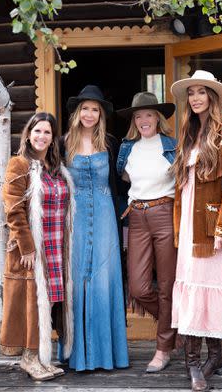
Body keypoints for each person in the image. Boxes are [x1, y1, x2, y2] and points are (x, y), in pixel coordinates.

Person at [170, 70, 222, 392]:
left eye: (201, 92)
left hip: (210, 226)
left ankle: (206, 360)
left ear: (212, 98)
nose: (196, 98)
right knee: (192, 289)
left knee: (208, 288)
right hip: (188, 223)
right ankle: (209, 358)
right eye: (192, 93)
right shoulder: (189, 133)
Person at [0, 112, 75, 381]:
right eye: (37, 131)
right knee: (32, 302)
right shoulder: (19, 165)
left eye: (47, 132)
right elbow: (14, 210)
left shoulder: (56, 168)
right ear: (28, 134)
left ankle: (43, 357)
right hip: (31, 249)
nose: (41, 136)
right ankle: (29, 358)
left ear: (53, 137)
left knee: (49, 301)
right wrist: (27, 247)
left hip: (55, 246)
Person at [62, 85, 129, 371]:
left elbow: (127, 178)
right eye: (85, 109)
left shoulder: (111, 143)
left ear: (101, 115)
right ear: (77, 113)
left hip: (104, 219)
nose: (89, 114)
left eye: (95, 110)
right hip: (74, 218)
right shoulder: (63, 143)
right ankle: (75, 353)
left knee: (104, 280)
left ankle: (108, 354)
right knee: (76, 281)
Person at [117, 92, 177, 373]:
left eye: (149, 114)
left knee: (166, 286)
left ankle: (164, 347)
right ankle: (177, 325)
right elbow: (124, 180)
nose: (144, 120)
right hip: (137, 216)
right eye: (138, 115)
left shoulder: (173, 146)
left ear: (158, 118)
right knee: (139, 288)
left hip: (166, 213)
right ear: (134, 120)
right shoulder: (126, 149)